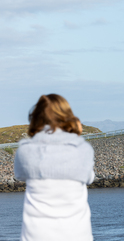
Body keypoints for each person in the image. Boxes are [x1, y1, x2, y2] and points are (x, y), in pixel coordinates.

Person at [14, 94, 95, 241]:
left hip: (36, 236)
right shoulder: (83, 150)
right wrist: (76, 134)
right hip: (76, 235)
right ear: (68, 117)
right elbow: (89, 177)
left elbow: (19, 174)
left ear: (36, 117)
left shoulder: (26, 151)